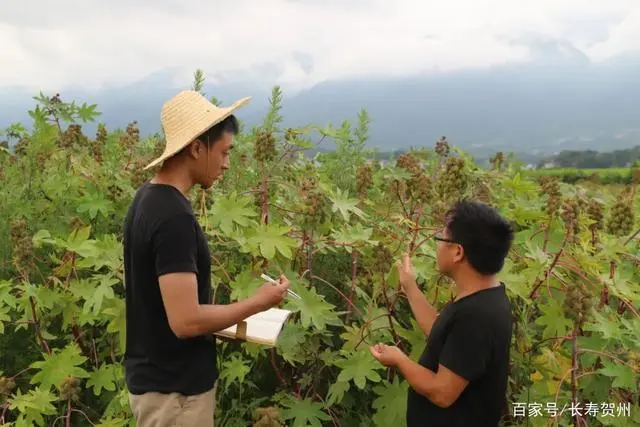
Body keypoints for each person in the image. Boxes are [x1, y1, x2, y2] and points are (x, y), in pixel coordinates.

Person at [122, 90, 290, 427]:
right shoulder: (173, 217)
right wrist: (258, 303)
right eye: (224, 152)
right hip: (175, 396)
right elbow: (186, 322)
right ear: (197, 148)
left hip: (159, 385)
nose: (227, 164)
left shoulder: (148, 198)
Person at [370, 199, 514, 427]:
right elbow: (444, 336)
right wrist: (410, 286)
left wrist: (399, 359)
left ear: (457, 252)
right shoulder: (484, 298)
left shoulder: (477, 316)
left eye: (441, 239)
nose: (437, 247)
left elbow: (442, 392)